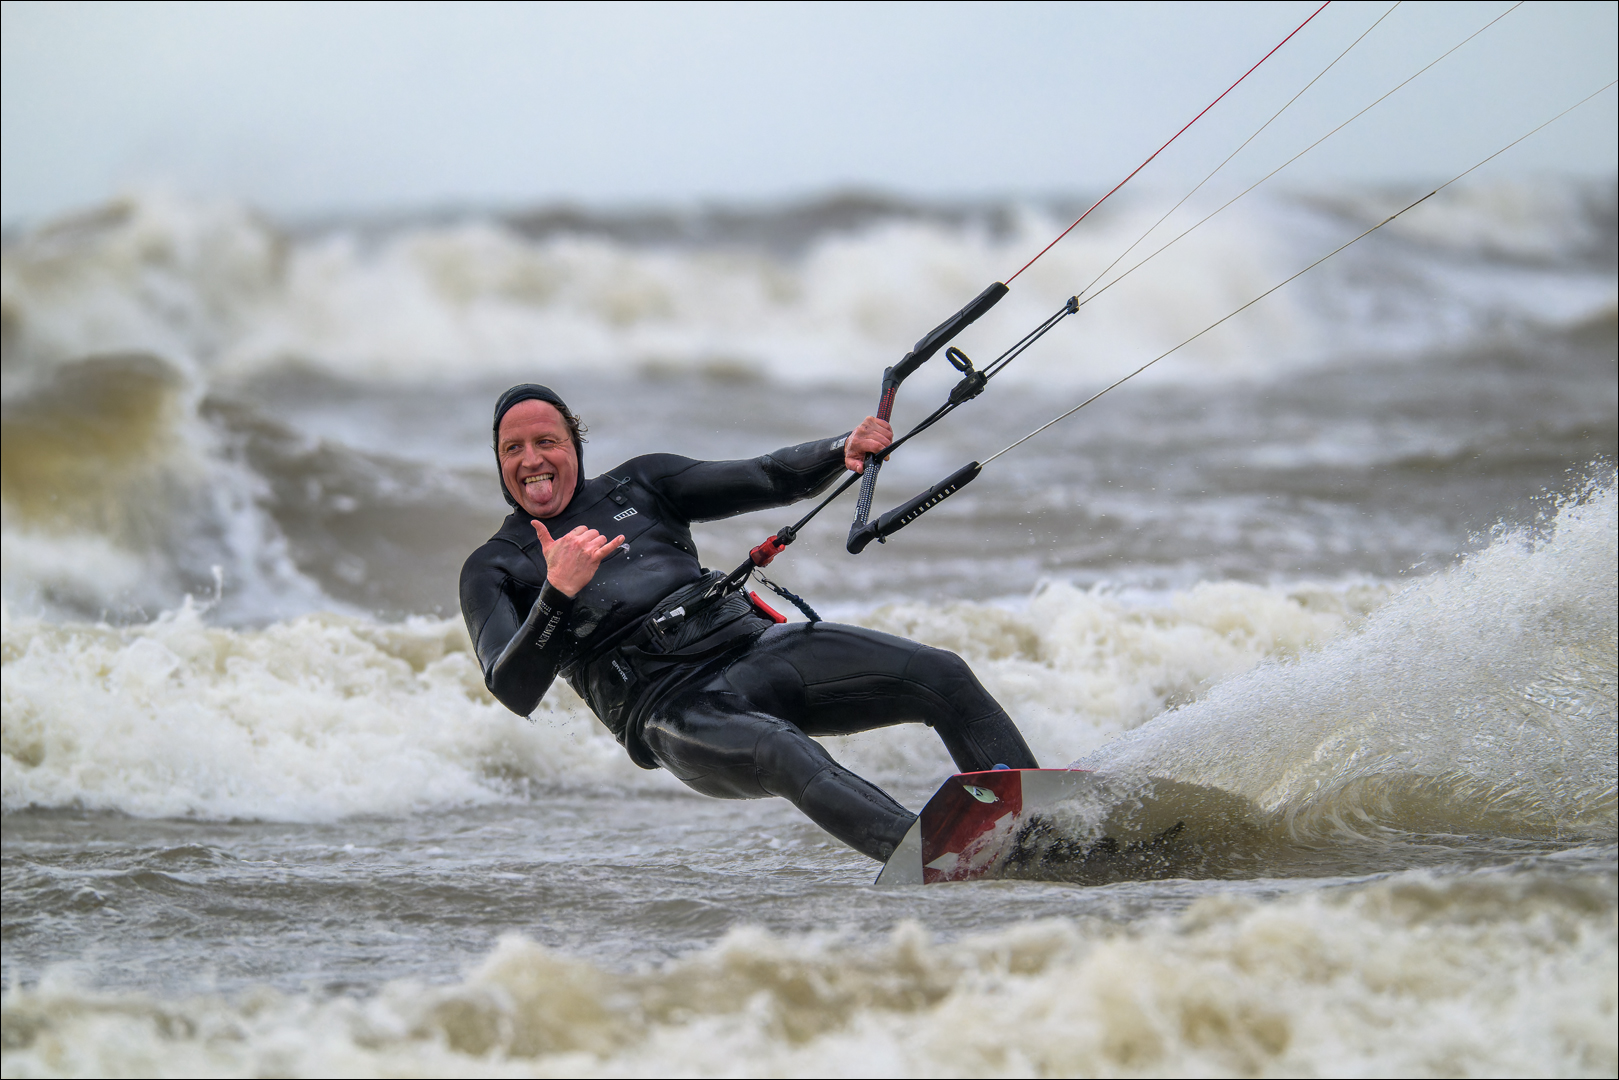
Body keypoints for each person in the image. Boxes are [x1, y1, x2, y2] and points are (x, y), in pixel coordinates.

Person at [460, 384, 1039, 861]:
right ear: (499, 464)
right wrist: (556, 595)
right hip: (670, 709)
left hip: (757, 648)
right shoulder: (494, 567)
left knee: (941, 673)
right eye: (513, 450)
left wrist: (843, 446)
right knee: (784, 749)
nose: (531, 460)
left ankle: (1042, 828)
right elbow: (512, 689)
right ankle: (945, 860)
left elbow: (765, 476)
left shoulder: (642, 484)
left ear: (574, 446)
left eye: (546, 442)